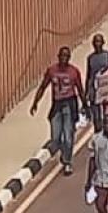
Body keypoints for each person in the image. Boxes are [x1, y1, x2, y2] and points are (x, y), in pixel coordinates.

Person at [29, 46, 84, 175]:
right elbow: (43, 87)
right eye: (62, 56)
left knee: (68, 137)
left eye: (66, 56)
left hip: (69, 105)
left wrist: (85, 105)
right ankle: (63, 153)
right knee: (55, 138)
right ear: (58, 56)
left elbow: (80, 89)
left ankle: (67, 161)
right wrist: (35, 103)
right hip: (57, 106)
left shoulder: (74, 72)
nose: (64, 58)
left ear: (69, 57)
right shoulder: (51, 71)